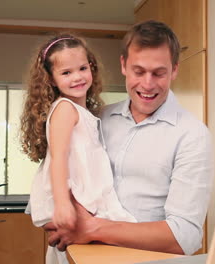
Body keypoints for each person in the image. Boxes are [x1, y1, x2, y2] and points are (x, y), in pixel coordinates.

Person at [44, 20, 213, 256]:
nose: (147, 84)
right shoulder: (97, 119)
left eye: (159, 73)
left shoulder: (192, 135)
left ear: (175, 69)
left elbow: (184, 236)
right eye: (139, 71)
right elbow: (58, 176)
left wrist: (92, 229)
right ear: (123, 64)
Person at [20, 34, 137, 264]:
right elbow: (59, 158)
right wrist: (63, 204)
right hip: (72, 204)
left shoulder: (84, 113)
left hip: (84, 204)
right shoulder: (65, 109)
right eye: (66, 73)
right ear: (51, 80)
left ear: (91, 67)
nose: (77, 77)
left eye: (82, 68)